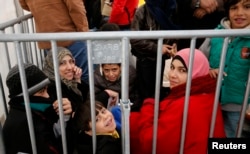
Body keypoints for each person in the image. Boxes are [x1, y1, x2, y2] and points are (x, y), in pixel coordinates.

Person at [130, 48, 226, 154]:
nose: (172, 75)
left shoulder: (183, 104)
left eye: (182, 70)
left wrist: (149, 106)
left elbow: (151, 142)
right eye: (172, 67)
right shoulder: (209, 95)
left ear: (197, 72)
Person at [199, 0, 250, 138]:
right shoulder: (216, 34)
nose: (240, 13)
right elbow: (199, 60)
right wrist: (208, 70)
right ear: (227, 11)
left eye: (247, 7)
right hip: (214, 103)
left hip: (241, 107)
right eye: (234, 8)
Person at [3, 63, 72, 154]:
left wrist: (65, 116)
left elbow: (51, 135)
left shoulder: (33, 111)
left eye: (46, 89)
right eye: (41, 92)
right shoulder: (21, 128)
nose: (47, 96)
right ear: (25, 97)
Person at [18, 0, 90, 83]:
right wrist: (84, 32)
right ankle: (84, 95)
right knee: (82, 75)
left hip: (46, 39)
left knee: (56, 78)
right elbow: (76, 7)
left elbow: (25, 5)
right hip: (70, 36)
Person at [130, 0, 178, 109]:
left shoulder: (172, 8)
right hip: (145, 59)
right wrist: (158, 48)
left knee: (159, 92)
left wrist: (174, 44)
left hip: (163, 59)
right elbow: (134, 38)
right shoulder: (143, 11)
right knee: (146, 94)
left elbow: (175, 30)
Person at [43, 47, 89, 153]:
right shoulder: (52, 88)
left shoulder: (67, 82)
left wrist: (77, 79)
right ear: (52, 66)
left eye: (71, 62)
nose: (70, 67)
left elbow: (83, 99)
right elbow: (79, 106)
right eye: (62, 63)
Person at [94, 23, 138, 108]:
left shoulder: (130, 72)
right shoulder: (97, 76)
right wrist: (107, 93)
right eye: (106, 70)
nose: (111, 74)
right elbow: (91, 101)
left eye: (114, 69)